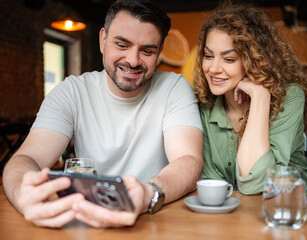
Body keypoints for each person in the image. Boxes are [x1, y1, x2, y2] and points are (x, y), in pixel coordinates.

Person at [3, 0, 203, 228]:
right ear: (103, 40)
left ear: (159, 52)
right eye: (122, 45)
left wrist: (148, 194)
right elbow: (26, 159)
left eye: (147, 50)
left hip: (155, 222)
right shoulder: (72, 92)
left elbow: (189, 160)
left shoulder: (173, 87)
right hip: (84, 222)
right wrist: (23, 195)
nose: (133, 60)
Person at [193, 2, 307, 195]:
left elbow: (257, 185)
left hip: (288, 213)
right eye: (208, 55)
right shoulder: (205, 106)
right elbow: (209, 183)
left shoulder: (290, 97)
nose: (213, 68)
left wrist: (260, 96)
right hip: (230, 218)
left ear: (255, 59)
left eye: (229, 59)